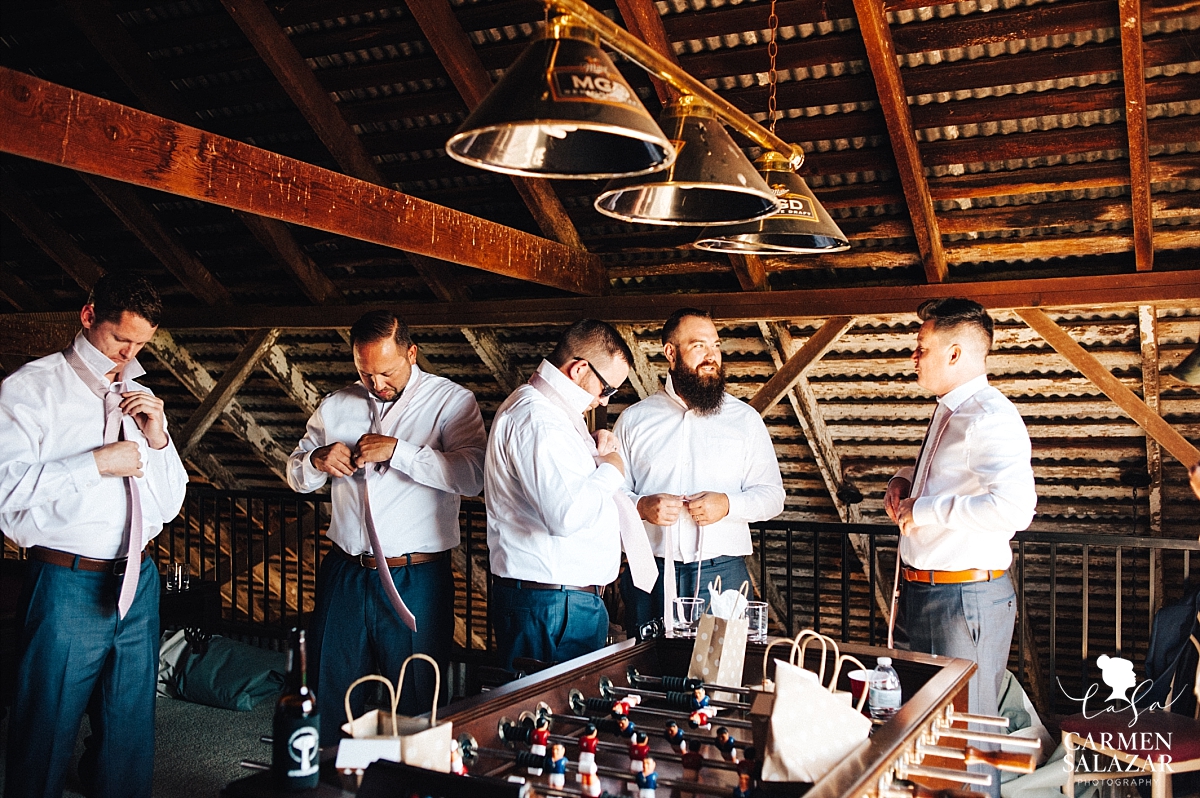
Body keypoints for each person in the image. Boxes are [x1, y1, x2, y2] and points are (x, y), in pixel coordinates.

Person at [1, 273, 188, 798]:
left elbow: (169, 504)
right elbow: (2, 489)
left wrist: (158, 438)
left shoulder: (141, 395)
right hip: (66, 582)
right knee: (46, 727)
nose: (129, 355)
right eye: (120, 340)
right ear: (89, 317)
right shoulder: (30, 390)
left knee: (128, 732)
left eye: (141, 345)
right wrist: (95, 464)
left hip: (139, 580)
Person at [287, 310, 485, 740]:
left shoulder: (452, 401)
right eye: (365, 372)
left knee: (417, 702)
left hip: (416, 576)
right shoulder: (336, 405)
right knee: (330, 693)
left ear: (412, 353)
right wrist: (316, 461)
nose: (376, 385)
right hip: (344, 574)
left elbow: (473, 475)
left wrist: (401, 452)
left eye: (386, 372)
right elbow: (296, 474)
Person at [884, 298, 1036, 794]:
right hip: (930, 596)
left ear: (954, 353)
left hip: (964, 601)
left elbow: (1015, 509)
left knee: (968, 751)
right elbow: (954, 479)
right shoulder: (951, 412)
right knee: (933, 742)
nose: (913, 356)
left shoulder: (990, 415)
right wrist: (906, 481)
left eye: (921, 347)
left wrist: (925, 511)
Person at [615, 308, 784, 633]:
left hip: (722, 573)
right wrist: (640, 506)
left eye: (716, 346)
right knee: (648, 674)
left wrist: (728, 505)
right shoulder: (634, 421)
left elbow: (773, 496)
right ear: (671, 353)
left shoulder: (745, 420)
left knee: (721, 678)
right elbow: (609, 493)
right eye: (698, 346)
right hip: (649, 572)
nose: (711, 356)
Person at [485, 319, 635, 669]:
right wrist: (612, 467)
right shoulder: (538, 419)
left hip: (560, 602)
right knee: (551, 720)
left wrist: (591, 454)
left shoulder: (555, 416)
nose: (603, 399)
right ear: (580, 369)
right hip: (552, 607)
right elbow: (565, 516)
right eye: (607, 389)